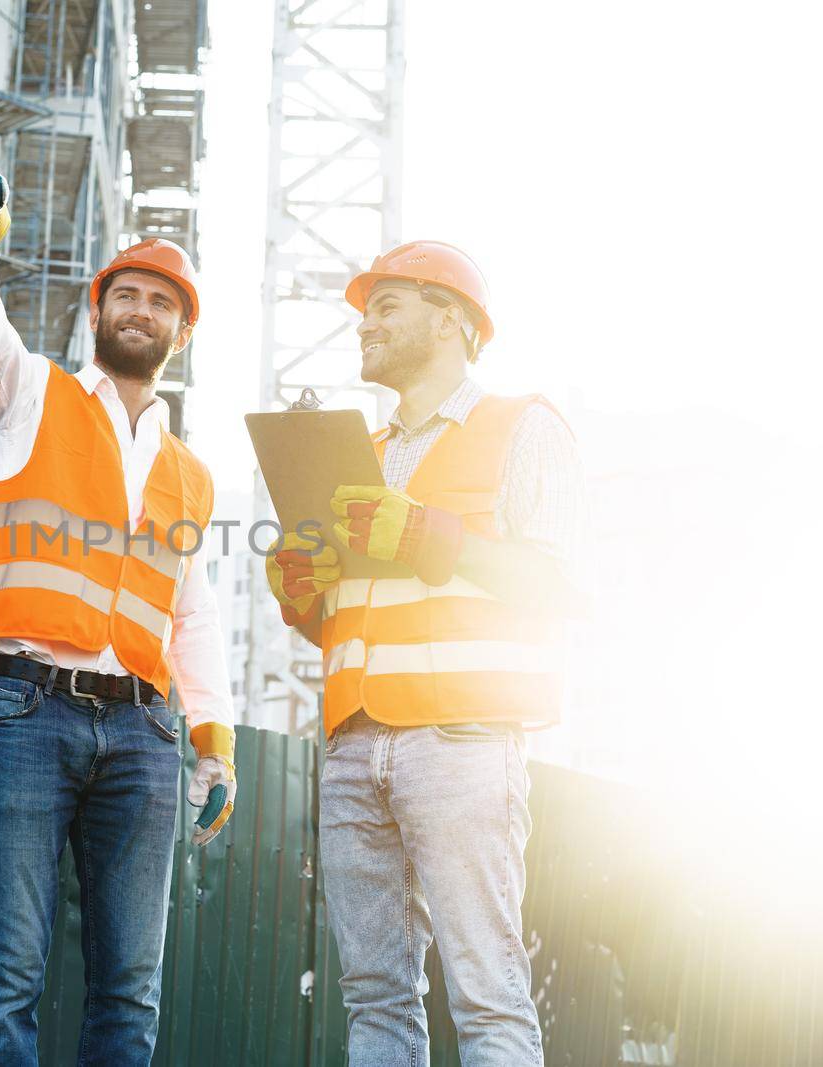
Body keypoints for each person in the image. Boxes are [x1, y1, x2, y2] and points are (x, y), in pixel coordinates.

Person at [0, 135, 238, 1066]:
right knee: (7, 986)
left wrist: (213, 742)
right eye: (128, 294)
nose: (141, 310)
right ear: (98, 308)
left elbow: (192, 616)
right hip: (30, 712)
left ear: (179, 336)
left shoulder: (192, 473)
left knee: (129, 998)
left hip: (144, 736)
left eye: (162, 303)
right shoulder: (32, 393)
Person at [265, 240, 584, 1065]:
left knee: (487, 993)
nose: (364, 324)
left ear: (450, 321)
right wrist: (304, 590)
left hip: (464, 747)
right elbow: (352, 621)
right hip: (353, 748)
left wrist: (429, 535)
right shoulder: (357, 456)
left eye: (386, 306)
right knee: (374, 997)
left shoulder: (523, 426)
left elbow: (553, 587)